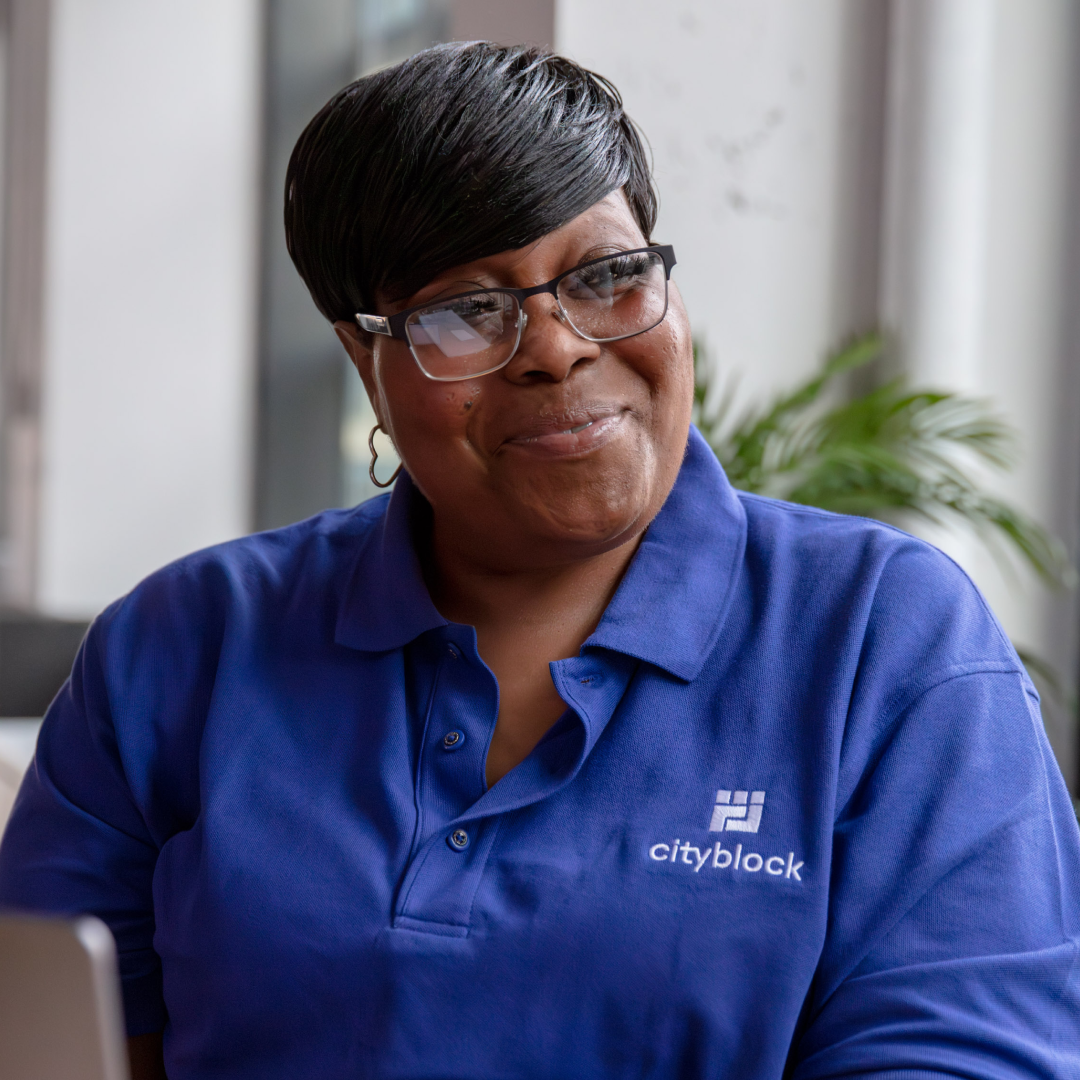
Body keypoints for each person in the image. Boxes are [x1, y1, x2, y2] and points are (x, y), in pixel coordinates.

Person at [1, 41, 1078, 1080]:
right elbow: (52, 1040)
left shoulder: (883, 640)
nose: (558, 347)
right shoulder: (181, 646)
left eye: (607, 274)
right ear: (364, 359)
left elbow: (959, 1053)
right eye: (468, 311)